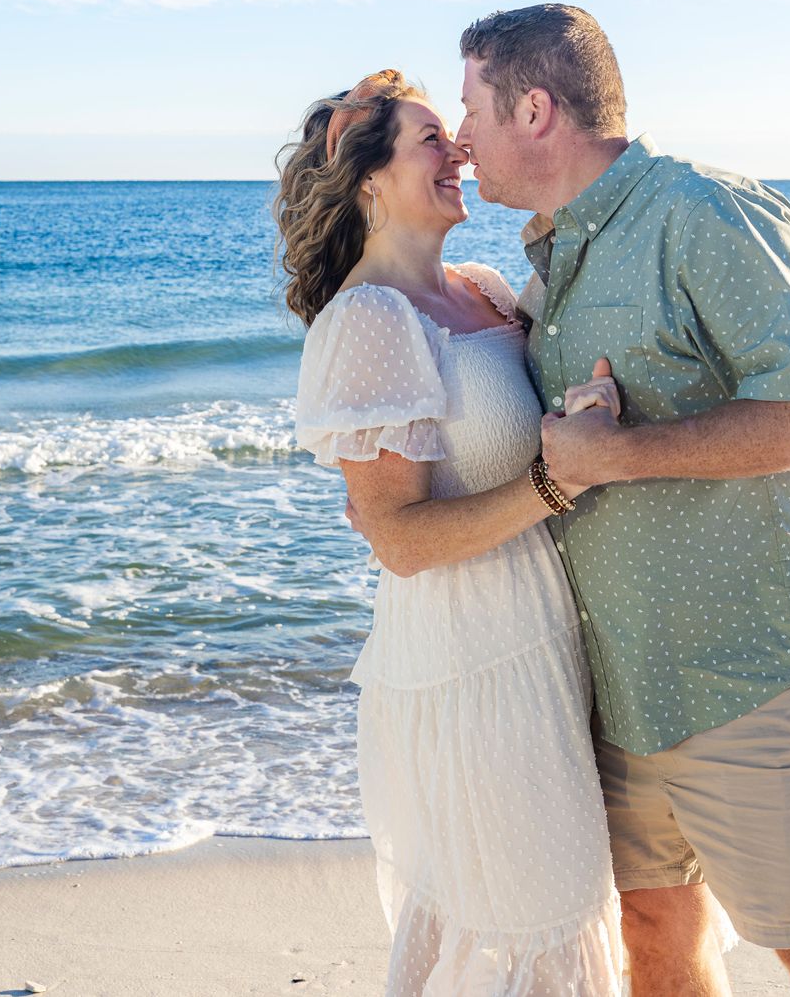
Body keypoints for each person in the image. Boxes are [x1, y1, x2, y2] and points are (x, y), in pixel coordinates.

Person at [454, 4, 790, 997]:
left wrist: (617, 456)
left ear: (534, 109)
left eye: (471, 107)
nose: (459, 136)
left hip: (755, 667)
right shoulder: (554, 253)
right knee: (654, 933)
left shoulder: (707, 212)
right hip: (622, 681)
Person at [277, 70, 624, 996]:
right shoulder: (371, 319)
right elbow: (400, 540)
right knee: (544, 904)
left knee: (479, 904)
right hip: (467, 658)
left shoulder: (479, 288)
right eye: (432, 139)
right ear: (369, 180)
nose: (459, 151)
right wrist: (557, 479)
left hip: (537, 634)